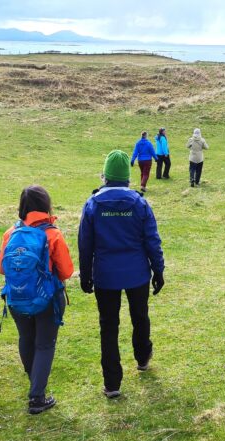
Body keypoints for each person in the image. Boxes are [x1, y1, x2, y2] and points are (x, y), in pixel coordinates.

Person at [78, 150, 165, 399]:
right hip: (137, 273)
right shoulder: (138, 203)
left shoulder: (93, 204)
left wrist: (85, 274)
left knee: (109, 326)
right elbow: (152, 239)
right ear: (127, 177)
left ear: (105, 175)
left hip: (106, 275)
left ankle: (112, 383)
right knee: (140, 316)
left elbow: (85, 243)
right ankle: (142, 357)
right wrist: (158, 269)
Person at [0, 185, 74, 414]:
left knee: (26, 338)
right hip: (47, 299)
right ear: (46, 205)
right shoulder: (53, 234)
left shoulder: (11, 233)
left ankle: (35, 380)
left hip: (16, 297)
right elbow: (67, 271)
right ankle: (37, 397)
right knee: (44, 345)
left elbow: (1, 267)